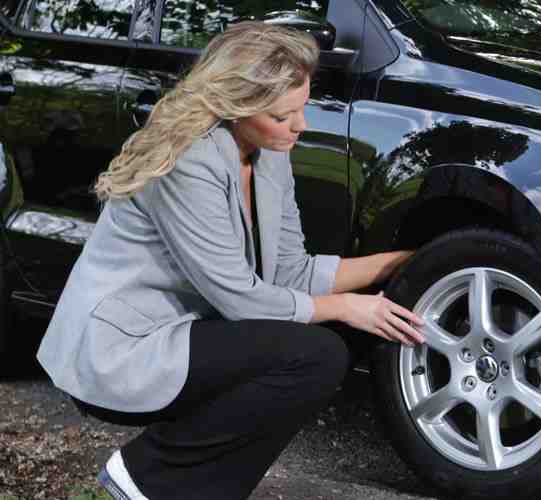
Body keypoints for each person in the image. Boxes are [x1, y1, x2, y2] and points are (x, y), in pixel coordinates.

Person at [35, 21, 425, 500]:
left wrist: (403, 262)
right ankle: (145, 476)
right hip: (123, 348)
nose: (300, 126)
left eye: (300, 109)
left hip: (187, 332)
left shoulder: (266, 150)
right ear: (238, 105)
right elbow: (240, 297)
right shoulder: (189, 160)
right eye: (285, 116)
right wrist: (347, 307)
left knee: (324, 351)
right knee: (315, 354)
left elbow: (290, 271)